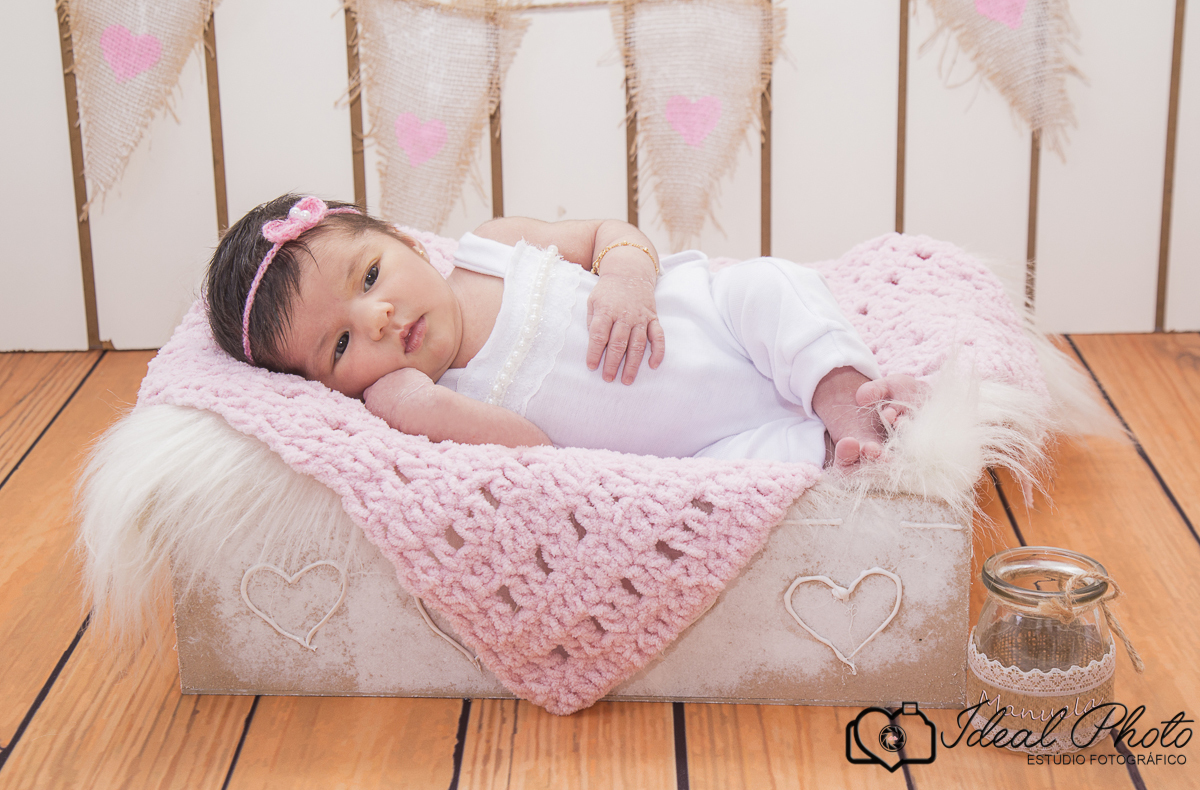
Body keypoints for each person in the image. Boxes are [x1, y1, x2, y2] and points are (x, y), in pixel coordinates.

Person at [206, 194, 926, 468]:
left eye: (369, 277)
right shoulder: (431, 406)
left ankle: (842, 392)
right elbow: (537, 458)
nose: (377, 319)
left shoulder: (491, 246)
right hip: (701, 447)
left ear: (404, 240)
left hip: (712, 326)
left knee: (767, 285)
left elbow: (609, 231)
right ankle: (843, 447)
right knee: (728, 484)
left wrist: (627, 278)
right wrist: (419, 410)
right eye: (339, 347)